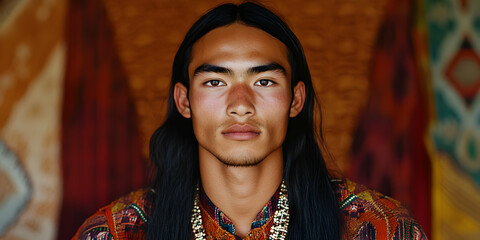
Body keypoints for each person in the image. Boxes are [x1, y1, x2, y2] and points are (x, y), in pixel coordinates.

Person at [73, 2, 427, 240]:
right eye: (215, 82)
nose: (240, 106)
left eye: (264, 81)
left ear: (295, 100)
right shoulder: (116, 232)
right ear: (184, 101)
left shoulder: (379, 226)